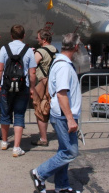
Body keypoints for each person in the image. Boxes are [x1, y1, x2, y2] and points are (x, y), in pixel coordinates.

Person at [30, 33, 82, 193]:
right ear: (76, 47)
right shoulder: (63, 66)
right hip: (63, 115)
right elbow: (61, 94)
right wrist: (70, 119)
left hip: (63, 114)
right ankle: (39, 173)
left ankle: (62, 186)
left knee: (63, 150)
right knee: (70, 152)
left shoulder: (62, 63)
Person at [0, 24, 37, 157]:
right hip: (22, 87)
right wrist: (32, 88)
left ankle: (5, 142)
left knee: (5, 114)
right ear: (24, 36)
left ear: (11, 36)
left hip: (6, 86)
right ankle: (17, 147)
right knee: (19, 115)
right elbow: (32, 72)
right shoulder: (28, 50)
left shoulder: (4, 49)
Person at [31, 29, 58, 147]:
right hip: (53, 82)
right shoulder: (55, 50)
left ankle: (43, 138)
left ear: (44, 39)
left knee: (40, 110)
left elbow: (32, 66)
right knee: (51, 107)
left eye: (38, 38)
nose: (37, 40)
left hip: (43, 82)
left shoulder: (40, 52)